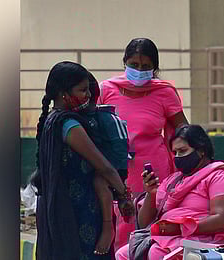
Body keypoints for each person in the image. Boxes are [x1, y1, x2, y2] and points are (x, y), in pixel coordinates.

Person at [31, 61, 130, 259]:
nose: (87, 95)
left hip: (66, 207)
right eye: (82, 90)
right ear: (63, 93)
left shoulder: (54, 119)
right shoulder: (69, 125)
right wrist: (124, 195)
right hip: (79, 211)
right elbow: (104, 167)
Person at [98, 38, 189, 250]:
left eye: (146, 66)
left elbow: (183, 130)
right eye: (134, 65)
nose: (139, 70)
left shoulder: (165, 92)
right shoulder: (106, 90)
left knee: (153, 226)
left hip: (154, 172)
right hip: (119, 172)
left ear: (154, 68)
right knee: (122, 225)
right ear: (125, 63)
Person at [115, 124, 224, 260]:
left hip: (204, 241)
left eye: (183, 151)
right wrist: (151, 193)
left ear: (201, 150)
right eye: (175, 153)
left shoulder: (219, 176)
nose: (178, 157)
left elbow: (223, 220)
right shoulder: (173, 180)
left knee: (157, 253)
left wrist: (182, 228)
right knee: (123, 254)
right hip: (167, 238)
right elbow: (143, 224)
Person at [82, 72, 136, 255]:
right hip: (100, 165)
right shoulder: (83, 118)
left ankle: (108, 228)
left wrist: (118, 175)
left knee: (100, 183)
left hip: (111, 166)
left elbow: (120, 144)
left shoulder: (105, 118)